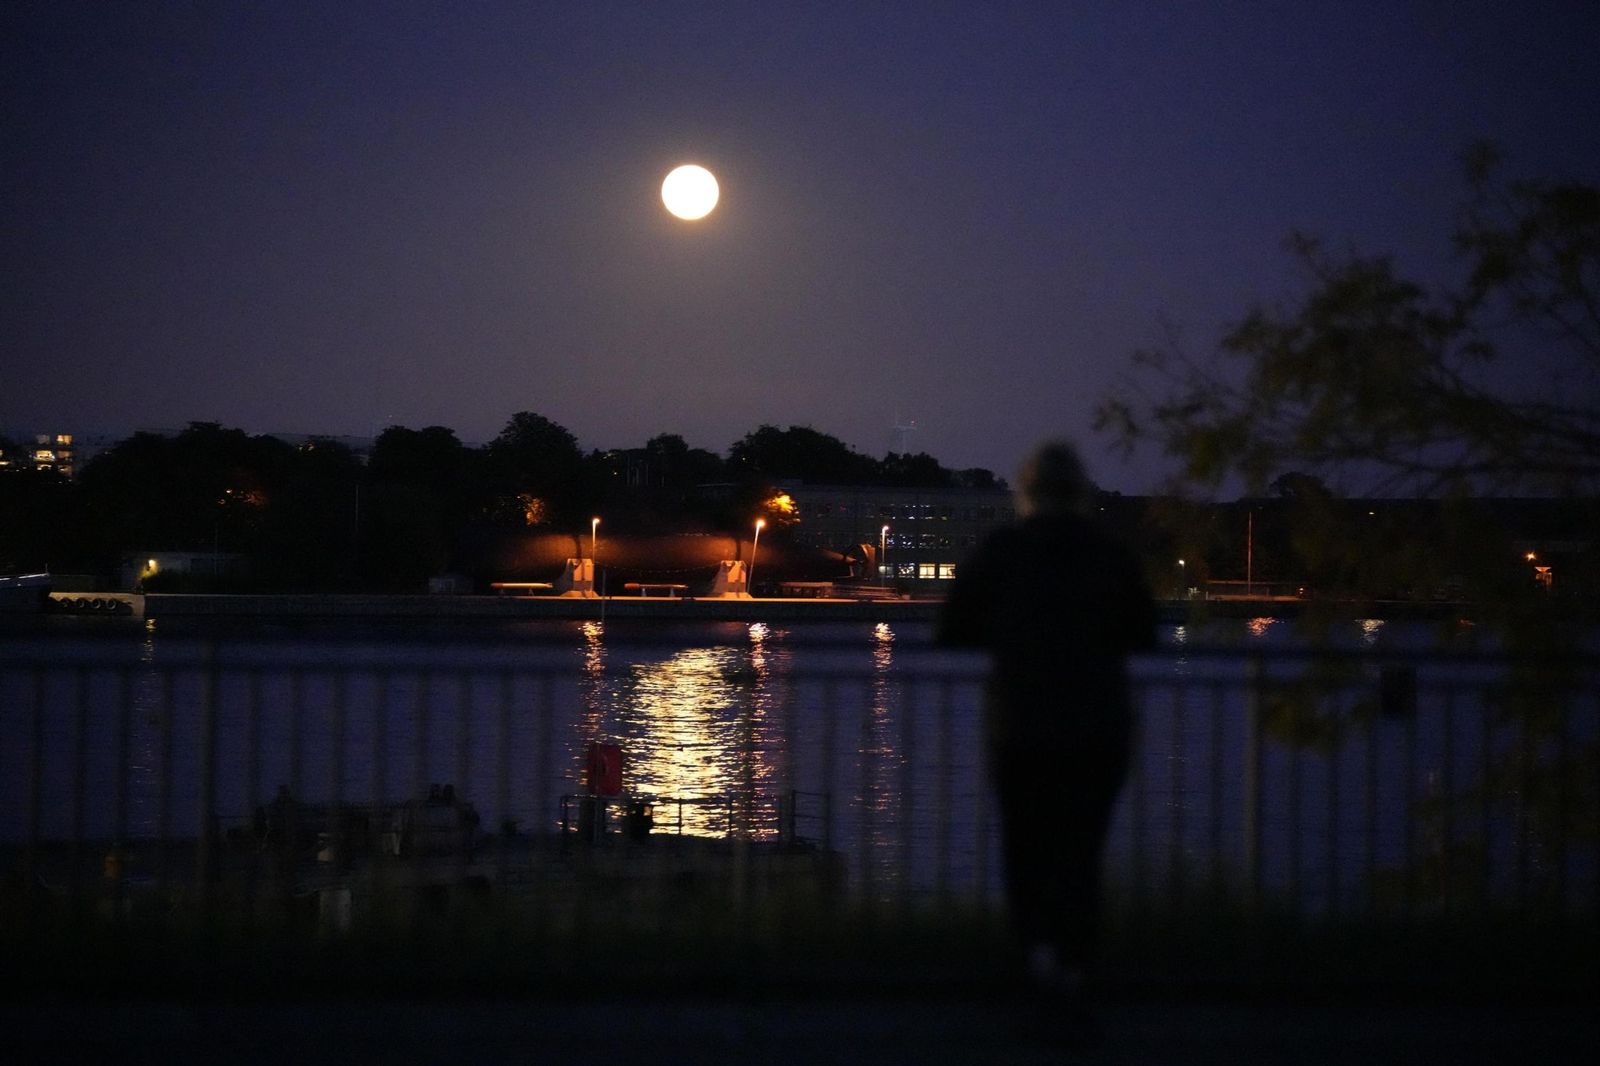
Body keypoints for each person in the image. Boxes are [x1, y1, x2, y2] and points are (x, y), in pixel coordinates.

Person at [937, 440, 1156, 995]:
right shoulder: (1109, 551)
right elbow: (1144, 632)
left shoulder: (1003, 549)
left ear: (1026, 493)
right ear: (1080, 493)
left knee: (1026, 847)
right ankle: (1076, 966)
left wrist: (1010, 635)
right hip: (1098, 724)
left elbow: (953, 629)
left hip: (1023, 722)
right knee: (1082, 850)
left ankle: (1034, 959)